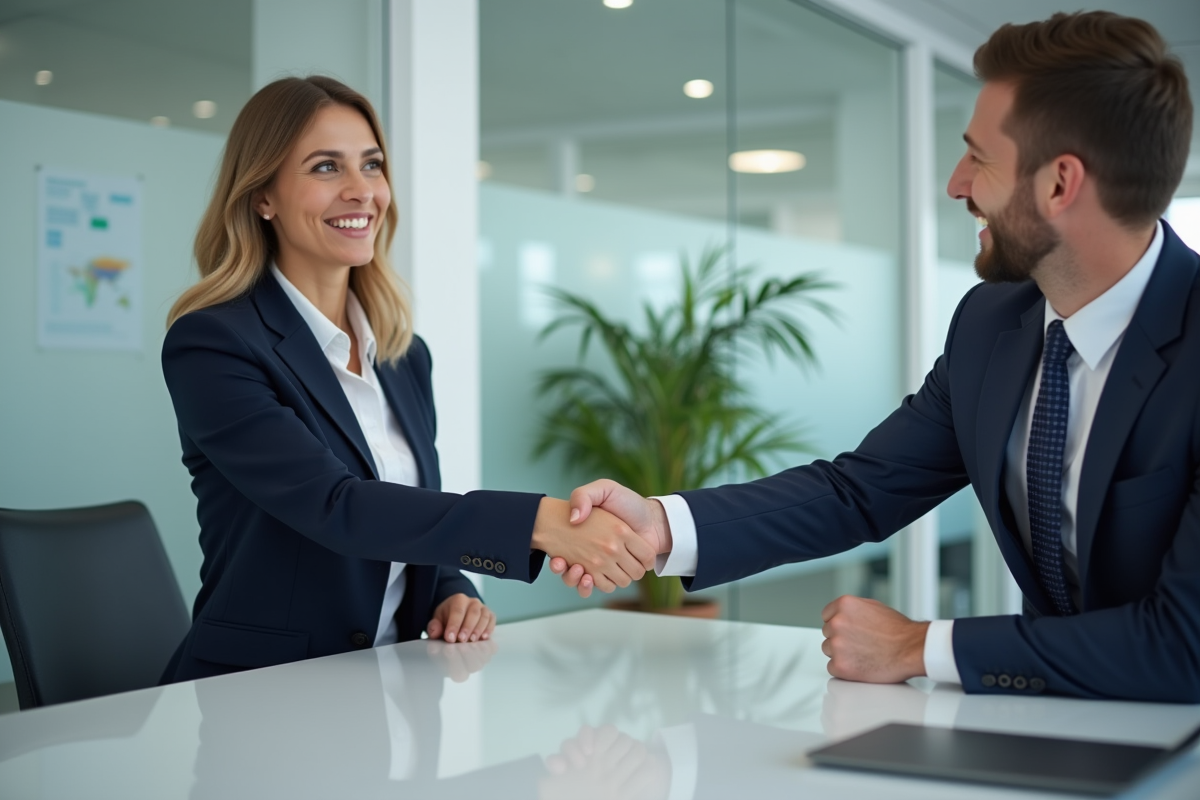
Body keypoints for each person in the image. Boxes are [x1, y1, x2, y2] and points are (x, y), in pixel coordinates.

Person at [554, 11, 1199, 702]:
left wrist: (918, 646)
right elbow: (859, 490)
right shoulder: (992, 324)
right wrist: (663, 527)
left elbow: (1182, 646)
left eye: (978, 157)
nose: (955, 184)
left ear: (1059, 184)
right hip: (1054, 728)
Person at [160, 76, 654, 683]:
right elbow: (335, 505)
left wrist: (447, 588)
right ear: (262, 196)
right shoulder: (214, 343)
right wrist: (542, 525)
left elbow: (406, 507)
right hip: (263, 687)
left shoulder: (402, 355)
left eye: (372, 165)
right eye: (324, 167)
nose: (361, 191)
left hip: (396, 686)